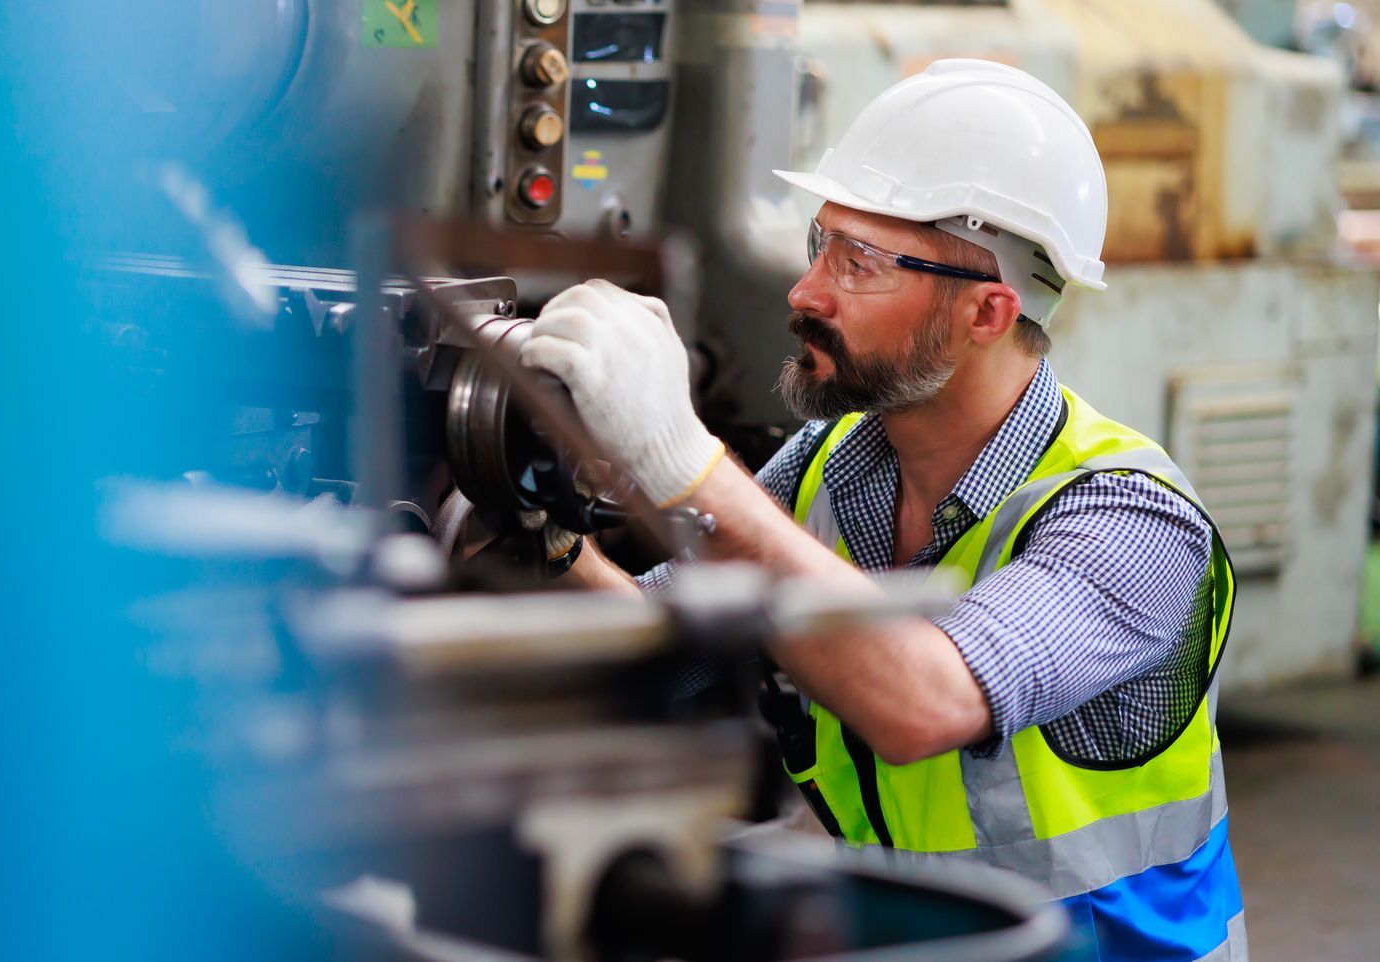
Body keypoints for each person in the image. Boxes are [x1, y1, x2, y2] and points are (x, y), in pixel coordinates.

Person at [522, 60, 1245, 962]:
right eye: (820, 242)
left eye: (857, 263)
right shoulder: (837, 468)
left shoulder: (1133, 522)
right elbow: (662, 650)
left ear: (987, 313)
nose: (805, 292)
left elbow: (923, 701)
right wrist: (541, 533)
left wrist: (685, 465)